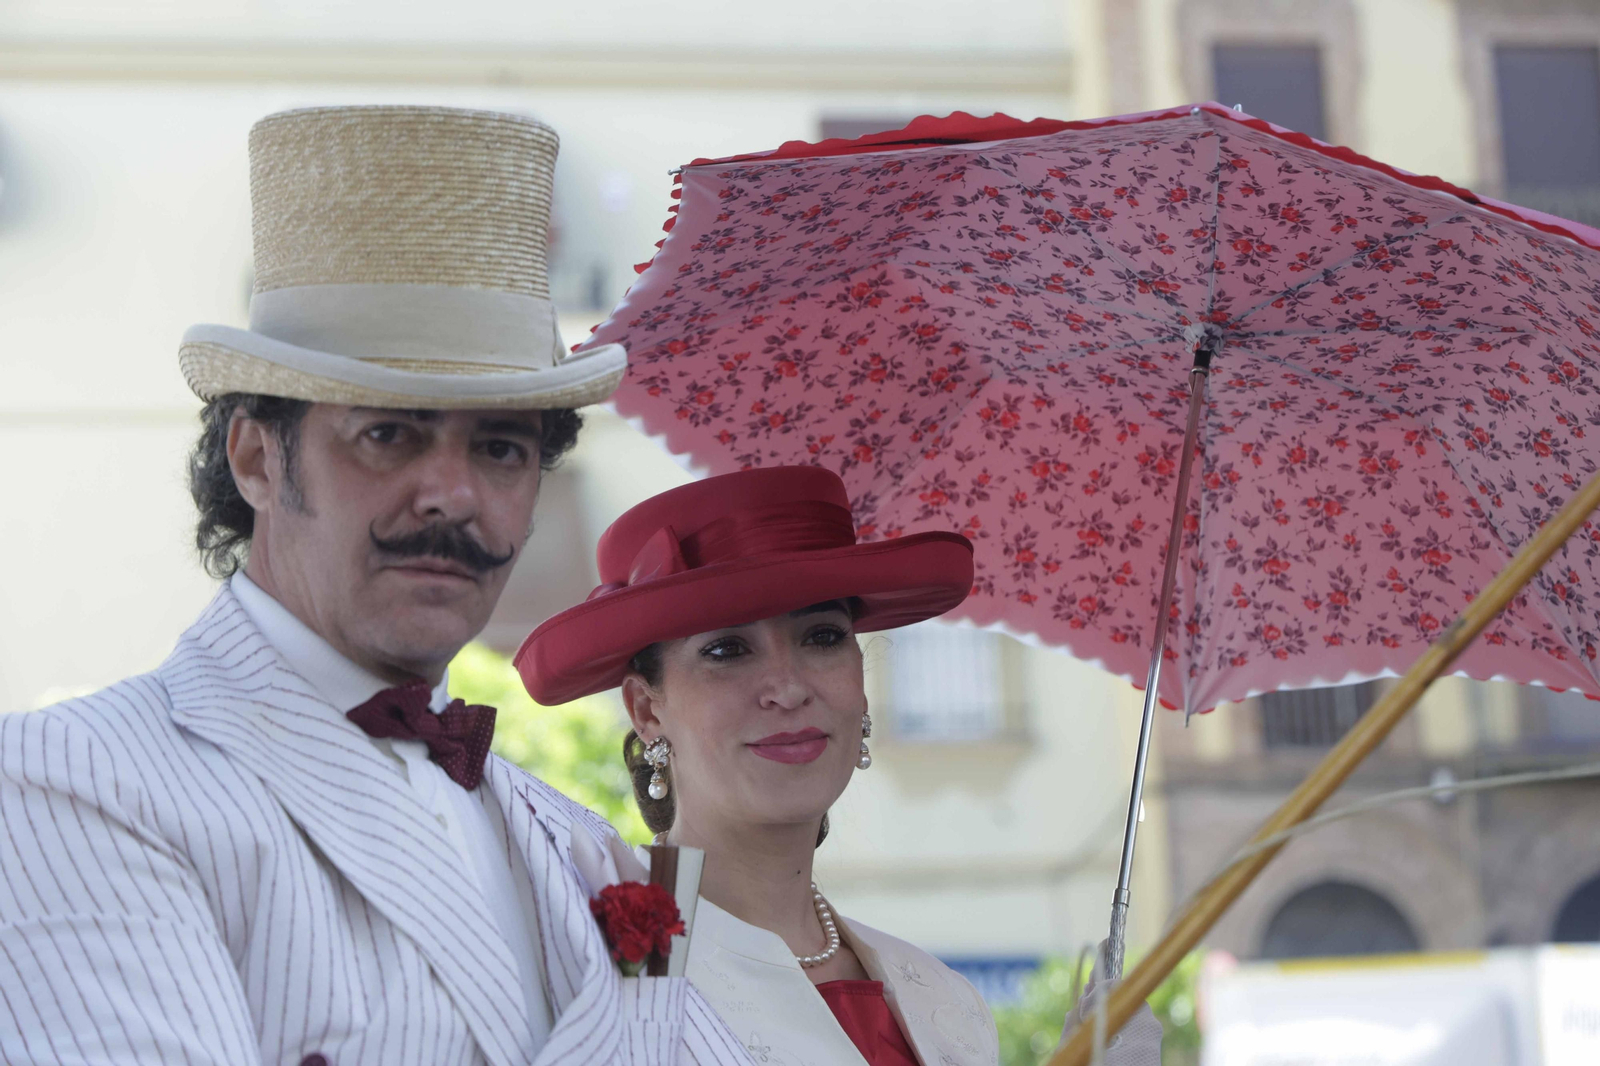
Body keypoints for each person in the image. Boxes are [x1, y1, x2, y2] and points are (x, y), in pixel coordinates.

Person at [0, 105, 750, 1066]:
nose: (453, 495)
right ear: (256, 459)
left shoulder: (574, 843)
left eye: (502, 448)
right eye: (388, 433)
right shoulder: (72, 783)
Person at [517, 465, 1165, 1066]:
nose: (787, 687)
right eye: (727, 650)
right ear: (646, 709)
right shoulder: (589, 958)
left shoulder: (945, 1001)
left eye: (822, 637)